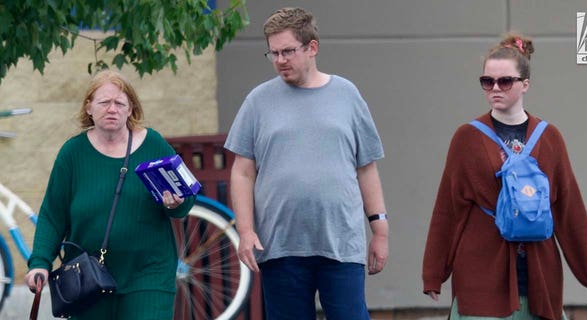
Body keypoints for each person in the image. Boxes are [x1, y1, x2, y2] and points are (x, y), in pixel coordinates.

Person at [421, 33, 587, 320]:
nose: (495, 88)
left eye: (504, 81)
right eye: (487, 81)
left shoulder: (550, 138)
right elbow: (448, 209)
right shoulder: (467, 138)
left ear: (525, 84)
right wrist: (434, 273)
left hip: (539, 278)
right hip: (481, 277)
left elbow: (568, 210)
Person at [224, 7, 389, 320]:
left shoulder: (347, 94)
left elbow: (366, 167)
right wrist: (245, 231)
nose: (280, 60)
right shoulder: (258, 101)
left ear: (312, 47)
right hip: (280, 246)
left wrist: (380, 230)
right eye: (273, 53)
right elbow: (242, 172)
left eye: (288, 51)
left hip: (341, 244)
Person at [24, 70, 195, 319]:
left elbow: (185, 199)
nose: (112, 109)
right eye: (104, 102)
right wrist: (39, 263)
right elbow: (53, 215)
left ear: (130, 109)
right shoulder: (73, 153)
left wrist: (175, 204)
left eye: (120, 103)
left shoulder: (153, 144)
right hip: (87, 276)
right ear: (89, 108)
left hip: (149, 274)